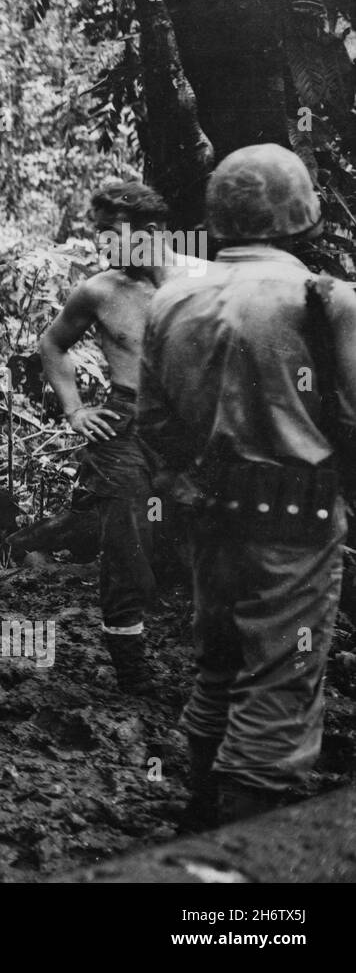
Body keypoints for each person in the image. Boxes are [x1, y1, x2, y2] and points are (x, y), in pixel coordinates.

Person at [139, 143, 356, 825]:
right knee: (280, 683)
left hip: (206, 516)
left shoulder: (171, 297)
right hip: (295, 522)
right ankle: (236, 856)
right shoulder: (326, 300)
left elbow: (153, 422)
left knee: (217, 663)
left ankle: (200, 809)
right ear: (302, 213)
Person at [39, 182, 173, 695]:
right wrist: (74, 409)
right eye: (99, 233)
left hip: (189, 430)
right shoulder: (99, 290)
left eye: (111, 231)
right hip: (124, 425)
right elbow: (52, 343)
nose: (104, 243)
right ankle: (133, 672)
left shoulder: (197, 281)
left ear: (152, 230)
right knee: (127, 539)